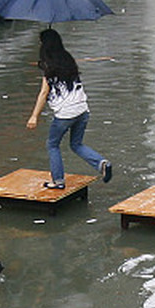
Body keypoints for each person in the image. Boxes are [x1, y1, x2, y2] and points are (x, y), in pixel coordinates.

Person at [26, 28, 112, 190]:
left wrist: (34, 116)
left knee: (52, 145)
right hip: (82, 110)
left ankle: (58, 181)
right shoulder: (68, 59)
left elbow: (44, 92)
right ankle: (102, 163)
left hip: (65, 114)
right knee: (76, 144)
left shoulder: (48, 66)